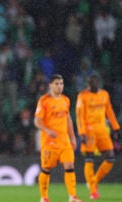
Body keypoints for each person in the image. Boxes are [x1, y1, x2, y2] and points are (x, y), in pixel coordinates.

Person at [34, 74, 82, 202]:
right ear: (50, 85)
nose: (59, 86)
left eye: (61, 84)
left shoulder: (65, 100)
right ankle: (44, 197)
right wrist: (47, 131)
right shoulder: (44, 101)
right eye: (57, 84)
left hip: (64, 140)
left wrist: (72, 137)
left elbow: (68, 120)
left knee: (70, 165)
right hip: (49, 142)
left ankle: (73, 196)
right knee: (46, 169)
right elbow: (37, 121)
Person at [76, 75, 120, 200]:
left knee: (110, 158)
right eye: (89, 83)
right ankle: (93, 191)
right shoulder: (82, 96)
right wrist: (82, 133)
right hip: (89, 131)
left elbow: (109, 111)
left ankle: (93, 181)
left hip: (102, 130)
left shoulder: (104, 94)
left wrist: (115, 127)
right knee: (89, 158)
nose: (91, 85)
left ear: (98, 83)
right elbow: (80, 116)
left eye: (93, 82)